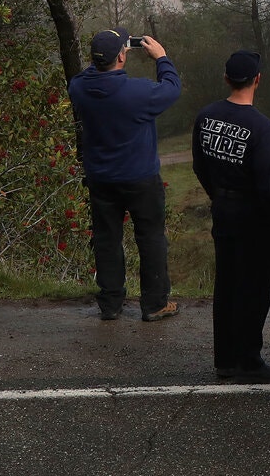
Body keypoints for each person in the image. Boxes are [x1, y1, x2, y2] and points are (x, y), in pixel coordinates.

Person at [67, 27, 183, 323]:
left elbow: (87, 75)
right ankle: (155, 303)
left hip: (101, 179)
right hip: (140, 178)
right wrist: (162, 58)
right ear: (122, 55)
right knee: (151, 238)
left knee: (107, 239)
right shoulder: (138, 93)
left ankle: (111, 303)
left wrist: (108, 59)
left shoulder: (78, 89)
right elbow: (172, 88)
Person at [189, 49, 270, 381]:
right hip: (254, 214)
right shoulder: (261, 128)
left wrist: (218, 195)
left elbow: (199, 165)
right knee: (255, 287)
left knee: (227, 282)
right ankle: (249, 359)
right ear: (257, 80)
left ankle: (226, 359)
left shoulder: (206, 116)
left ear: (226, 78)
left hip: (223, 208)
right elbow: (267, 183)